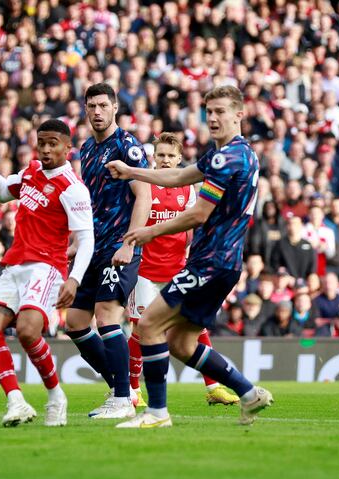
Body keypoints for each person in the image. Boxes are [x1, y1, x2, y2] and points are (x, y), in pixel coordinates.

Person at [107, 85, 273, 428]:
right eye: (209, 111)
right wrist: (134, 171)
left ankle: (156, 413)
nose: (212, 118)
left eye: (221, 112)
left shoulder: (226, 158)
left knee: (149, 324)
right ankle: (248, 393)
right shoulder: (239, 153)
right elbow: (179, 176)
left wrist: (148, 233)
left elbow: (198, 214)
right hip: (224, 264)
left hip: (210, 262)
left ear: (239, 114)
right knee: (181, 343)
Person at [0, 118, 94, 427]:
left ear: (67, 148)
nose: (45, 149)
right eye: (41, 142)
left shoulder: (72, 188)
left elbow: (86, 240)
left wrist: (75, 278)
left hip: (46, 268)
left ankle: (56, 395)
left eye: (52, 144)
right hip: (15, 264)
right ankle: (16, 401)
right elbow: (3, 192)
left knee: (28, 331)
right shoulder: (30, 172)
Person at [126, 132, 239, 406]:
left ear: (179, 159)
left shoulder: (189, 189)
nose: (165, 161)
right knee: (140, 331)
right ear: (154, 157)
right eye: (160, 155)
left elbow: (193, 227)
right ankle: (131, 391)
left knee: (196, 327)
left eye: (170, 156)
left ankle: (213, 388)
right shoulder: (143, 185)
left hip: (177, 269)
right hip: (144, 272)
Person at [65, 83, 151, 419]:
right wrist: (78, 240)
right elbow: (91, 201)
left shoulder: (126, 146)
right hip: (94, 247)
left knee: (106, 315)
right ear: (85, 110)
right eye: (92, 106)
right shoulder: (87, 149)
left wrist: (130, 243)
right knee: (74, 321)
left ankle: (120, 399)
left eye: (103, 105)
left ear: (114, 107)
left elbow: (143, 195)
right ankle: (123, 388)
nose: (97, 112)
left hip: (119, 246)